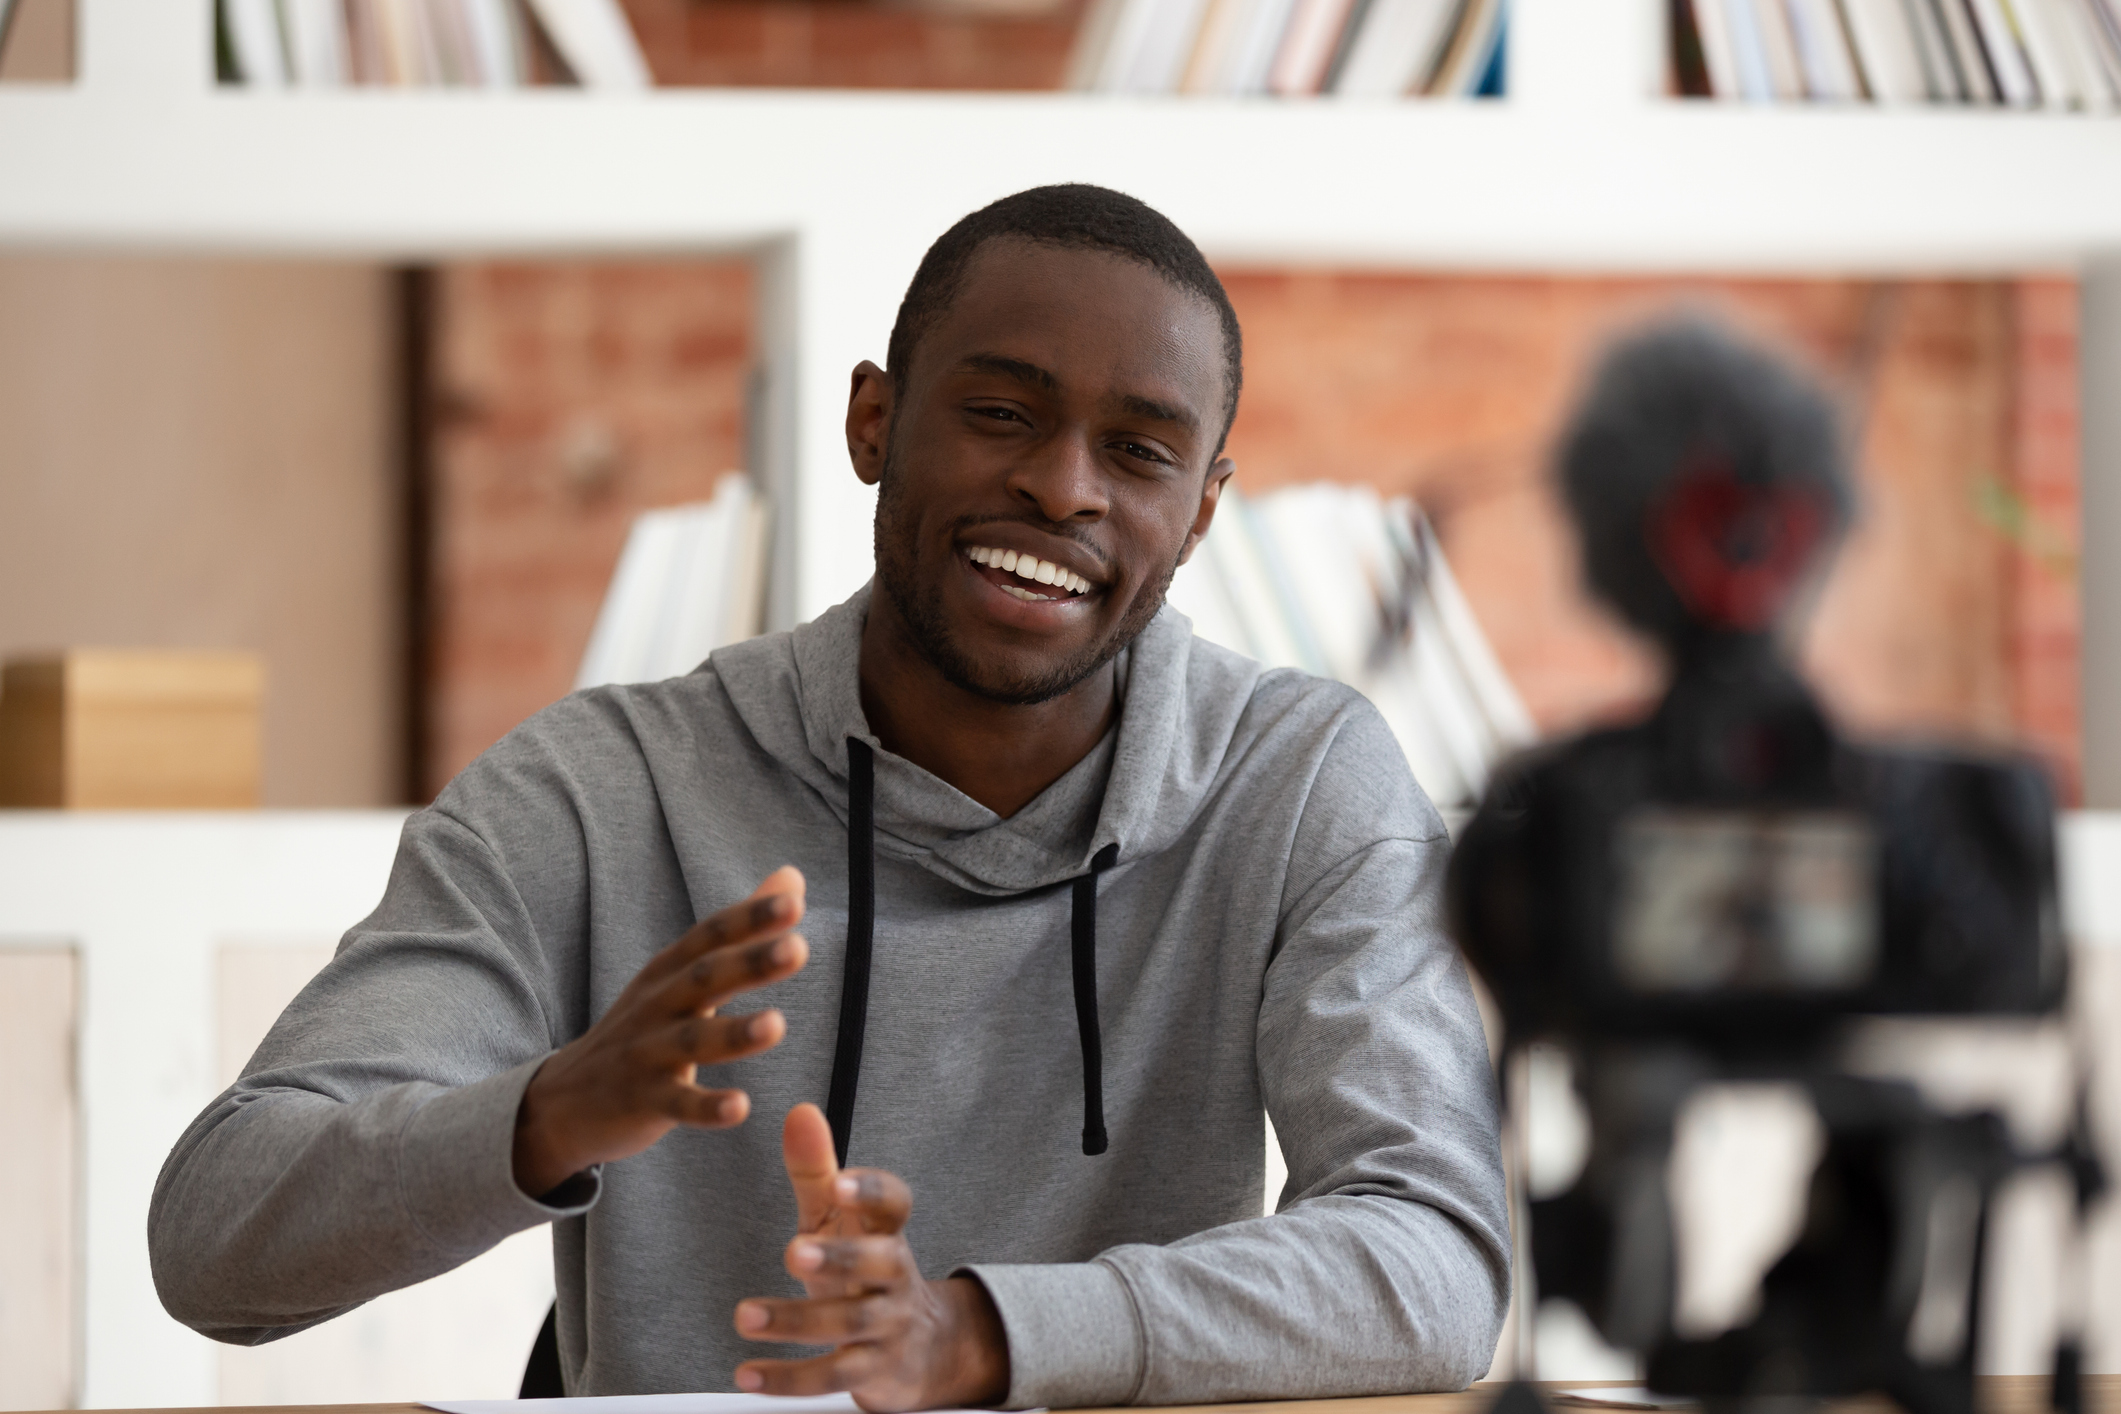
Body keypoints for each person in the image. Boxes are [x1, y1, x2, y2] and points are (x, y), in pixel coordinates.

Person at [149, 184, 1509, 1413]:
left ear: (1204, 512)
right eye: (999, 413)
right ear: (874, 424)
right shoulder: (595, 790)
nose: (1060, 484)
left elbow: (1434, 1259)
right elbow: (214, 1236)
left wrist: (978, 1331)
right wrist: (545, 1111)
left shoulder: (1299, 779)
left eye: (1140, 450)